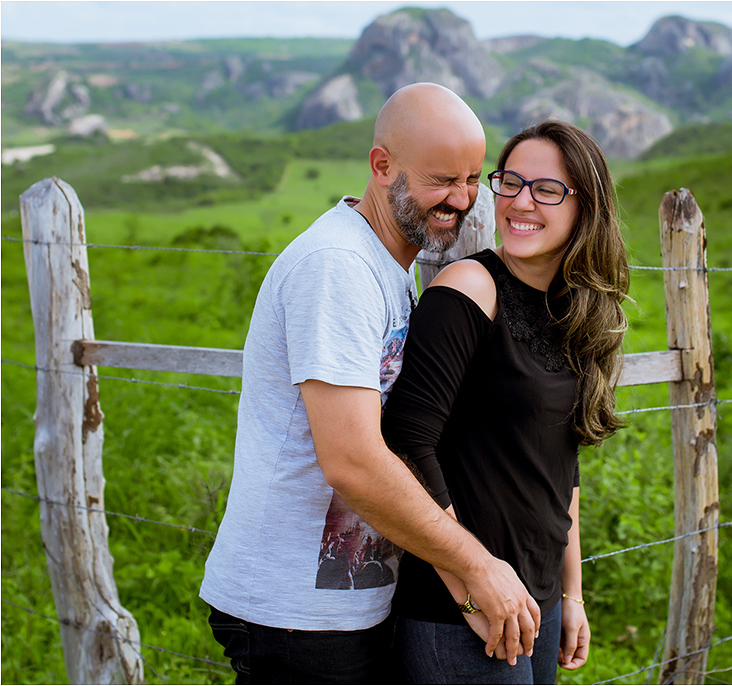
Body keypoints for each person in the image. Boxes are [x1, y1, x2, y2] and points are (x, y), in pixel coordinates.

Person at [199, 83, 540, 684]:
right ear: (382, 166)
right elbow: (353, 460)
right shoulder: (338, 267)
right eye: (442, 180)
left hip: (345, 603)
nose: (462, 200)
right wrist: (478, 568)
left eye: (471, 179)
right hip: (295, 616)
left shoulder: (387, 269)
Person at [381, 119, 630, 684]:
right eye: (510, 182)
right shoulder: (469, 288)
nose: (521, 202)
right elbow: (405, 444)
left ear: (586, 207)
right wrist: (471, 593)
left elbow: (559, 470)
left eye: (546, 189)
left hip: (536, 605)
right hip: (463, 612)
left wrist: (573, 595)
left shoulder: (576, 311)